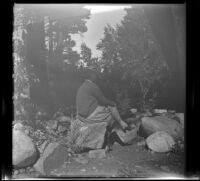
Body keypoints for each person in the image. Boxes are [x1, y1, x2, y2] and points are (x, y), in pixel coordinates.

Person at [69, 67, 129, 153]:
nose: (96, 76)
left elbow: (95, 101)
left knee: (106, 108)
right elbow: (103, 100)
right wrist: (113, 103)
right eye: (94, 75)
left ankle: (106, 138)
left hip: (81, 116)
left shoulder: (83, 86)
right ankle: (121, 124)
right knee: (112, 108)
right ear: (91, 76)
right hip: (89, 114)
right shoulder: (92, 85)